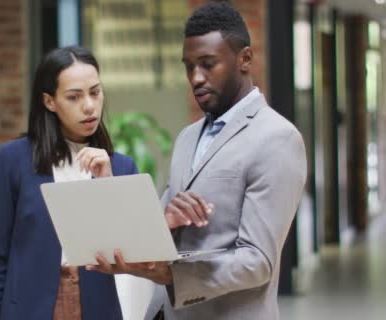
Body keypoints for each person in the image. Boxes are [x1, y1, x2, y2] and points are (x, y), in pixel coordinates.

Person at [87, 3, 307, 320]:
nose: (196, 78)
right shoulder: (187, 138)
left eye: (208, 64)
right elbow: (160, 229)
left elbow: (258, 261)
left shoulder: (277, 139)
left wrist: (172, 275)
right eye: (189, 67)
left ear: (245, 59)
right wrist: (163, 218)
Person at [0, 46, 137, 320]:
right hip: (28, 305)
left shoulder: (121, 167)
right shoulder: (14, 160)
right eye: (74, 97)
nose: (89, 106)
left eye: (95, 92)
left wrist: (107, 184)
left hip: (97, 306)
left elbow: (131, 253)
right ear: (49, 102)